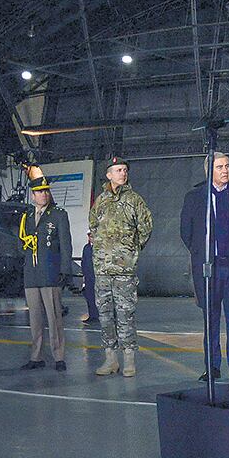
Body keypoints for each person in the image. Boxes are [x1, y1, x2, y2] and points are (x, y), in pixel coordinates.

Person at [180, 151, 229, 383]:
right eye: (220, 167)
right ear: (209, 171)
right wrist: (201, 254)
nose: (225, 171)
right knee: (210, 321)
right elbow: (186, 232)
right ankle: (212, 367)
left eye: (227, 166)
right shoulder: (194, 198)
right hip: (207, 271)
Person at [90, 157, 153, 377]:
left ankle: (128, 360)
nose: (123, 173)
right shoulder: (100, 201)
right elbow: (93, 227)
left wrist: (130, 251)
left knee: (126, 315)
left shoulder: (134, 200)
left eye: (125, 170)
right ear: (108, 174)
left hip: (124, 271)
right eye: (118, 170)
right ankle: (110, 360)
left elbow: (146, 228)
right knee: (105, 315)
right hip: (102, 270)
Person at [18, 168, 72, 372]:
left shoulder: (58, 215)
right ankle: (36, 356)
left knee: (54, 318)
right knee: (35, 319)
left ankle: (59, 356)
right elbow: (20, 243)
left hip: (50, 273)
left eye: (46, 191)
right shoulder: (27, 217)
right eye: (40, 192)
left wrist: (65, 271)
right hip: (31, 274)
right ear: (33, 195)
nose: (44, 194)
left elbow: (66, 244)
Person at [81, 232, 99, 324]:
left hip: (97, 276)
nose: (90, 238)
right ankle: (92, 315)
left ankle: (99, 316)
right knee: (89, 297)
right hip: (88, 277)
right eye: (89, 236)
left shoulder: (99, 248)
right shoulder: (86, 248)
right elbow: (83, 262)